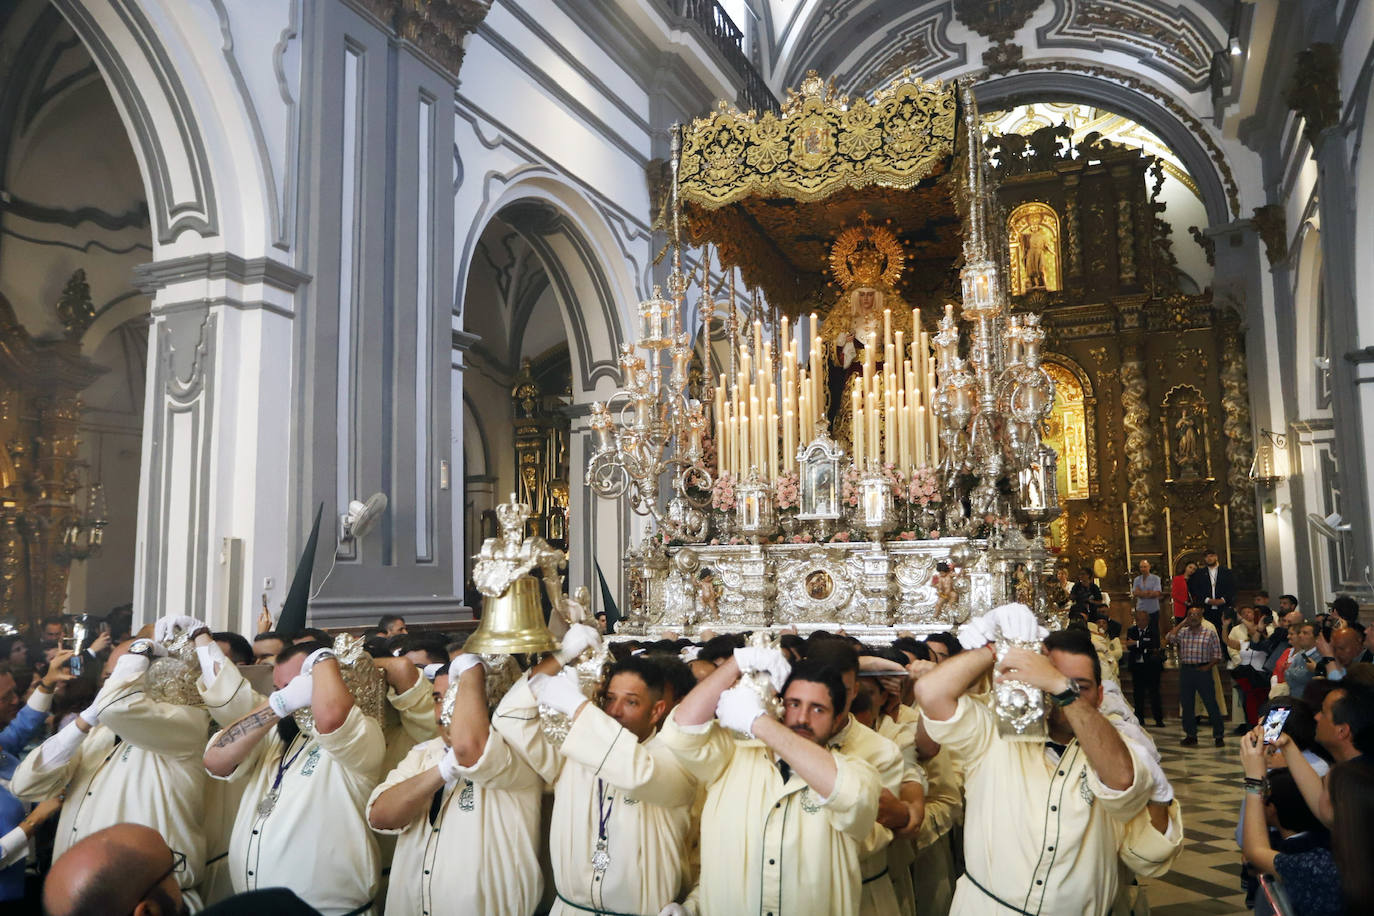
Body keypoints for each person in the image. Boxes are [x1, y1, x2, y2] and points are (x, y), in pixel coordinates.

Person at [914, 605, 1151, 915]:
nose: (1056, 692)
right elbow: (930, 692)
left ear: (1100, 697)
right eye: (1046, 678)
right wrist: (997, 647)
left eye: (1079, 686)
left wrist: (1062, 689)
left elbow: (1121, 778)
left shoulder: (1118, 744)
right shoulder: (992, 735)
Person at [13, 624, 226, 910]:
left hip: (148, 901)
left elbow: (118, 705)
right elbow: (25, 785)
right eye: (108, 677)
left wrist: (141, 648)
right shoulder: (96, 734)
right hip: (81, 899)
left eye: (123, 674)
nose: (110, 686)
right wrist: (85, 721)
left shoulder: (187, 724)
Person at [492, 625, 697, 916]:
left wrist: (577, 708)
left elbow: (636, 773)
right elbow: (509, 717)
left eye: (631, 702)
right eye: (610, 698)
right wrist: (561, 656)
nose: (614, 711)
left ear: (656, 711)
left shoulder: (674, 761)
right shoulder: (573, 751)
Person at [661, 651, 881, 916]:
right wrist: (738, 662)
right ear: (779, 707)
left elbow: (851, 796)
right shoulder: (732, 756)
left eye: (818, 709)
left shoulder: (856, 772)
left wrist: (758, 722)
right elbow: (679, 732)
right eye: (794, 704)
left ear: (837, 720)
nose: (803, 719)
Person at [203, 641, 385, 914]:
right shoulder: (275, 732)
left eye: (299, 687)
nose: (291, 699)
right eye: (280, 689)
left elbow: (333, 717)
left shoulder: (364, 732)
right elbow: (215, 759)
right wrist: (278, 705)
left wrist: (323, 660)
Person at [368, 657, 542, 915]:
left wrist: (472, 668)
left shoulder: (516, 755)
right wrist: (442, 770)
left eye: (457, 696)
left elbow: (468, 747)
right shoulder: (423, 753)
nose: (445, 709)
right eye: (439, 698)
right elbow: (380, 816)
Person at [1238, 731, 1347, 916]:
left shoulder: (1320, 866)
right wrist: (1288, 746)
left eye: (1324, 788)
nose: (1317, 792)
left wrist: (1254, 778)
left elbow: (1256, 852)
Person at [0, 653, 74, 904]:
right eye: (6, 697)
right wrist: (36, 819)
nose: (16, 700)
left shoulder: (2, 747)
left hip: (32, 880)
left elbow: (23, 725)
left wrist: (48, 682)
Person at [1166, 603, 1226, 746]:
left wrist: (1208, 667)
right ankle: (1190, 735)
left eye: (1196, 615)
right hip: (1186, 671)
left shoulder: (1209, 632)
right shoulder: (1183, 632)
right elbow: (1168, 637)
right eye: (1190, 615)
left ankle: (1218, 735)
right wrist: (1182, 624)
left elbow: (1218, 655)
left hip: (1203, 671)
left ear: (1201, 616)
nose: (1193, 617)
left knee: (1210, 703)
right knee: (1187, 704)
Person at [1227, 605, 1271, 732]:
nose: (1247, 614)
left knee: (1262, 699)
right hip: (1243, 668)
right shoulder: (1236, 630)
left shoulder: (1263, 628)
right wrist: (1240, 662)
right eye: (1244, 612)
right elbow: (1231, 647)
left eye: (1249, 612)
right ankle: (1247, 724)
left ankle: (1261, 724)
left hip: (1261, 670)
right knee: (1246, 699)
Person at [1124, 609, 1164, 726]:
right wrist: (1143, 645)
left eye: (1143, 620)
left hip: (1152, 667)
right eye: (1139, 620)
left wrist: (1137, 643)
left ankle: (1158, 719)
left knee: (1154, 694)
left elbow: (1154, 645)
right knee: (1138, 694)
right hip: (1137, 667)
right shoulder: (1131, 630)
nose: (1141, 622)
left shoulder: (1153, 631)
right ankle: (1140, 719)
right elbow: (1129, 646)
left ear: (1148, 620)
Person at [1189, 548, 1236, 633]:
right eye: (1206, 557)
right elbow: (1195, 589)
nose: (1209, 558)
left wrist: (1223, 600)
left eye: (1211, 556)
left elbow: (1232, 588)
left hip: (1223, 607)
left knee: (1225, 632)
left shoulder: (1226, 572)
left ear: (1216, 557)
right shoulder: (1199, 574)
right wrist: (1207, 600)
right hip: (1206, 608)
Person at [1285, 622, 1323, 701]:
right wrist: (1299, 672)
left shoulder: (1321, 655)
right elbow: (1286, 675)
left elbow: (1306, 677)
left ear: (1316, 637)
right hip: (1295, 698)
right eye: (1299, 633)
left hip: (1311, 701)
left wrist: (1292, 671)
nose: (1300, 636)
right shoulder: (1300, 654)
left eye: (1305, 633)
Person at [1130, 559, 1162, 629]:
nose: (1143, 569)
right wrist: (1148, 592)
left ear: (1149, 567)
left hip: (1153, 610)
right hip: (1141, 609)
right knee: (1141, 631)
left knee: (1154, 630)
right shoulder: (1137, 579)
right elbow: (1135, 593)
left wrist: (1141, 593)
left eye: (1145, 567)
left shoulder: (1156, 579)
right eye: (1141, 567)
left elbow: (1156, 593)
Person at [1169, 561, 1196, 629]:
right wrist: (1184, 602)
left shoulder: (1194, 580)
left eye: (1194, 569)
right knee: (1180, 628)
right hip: (1181, 607)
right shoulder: (1177, 579)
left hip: (1192, 607)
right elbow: (1174, 594)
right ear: (1185, 567)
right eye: (1190, 567)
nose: (1191, 570)